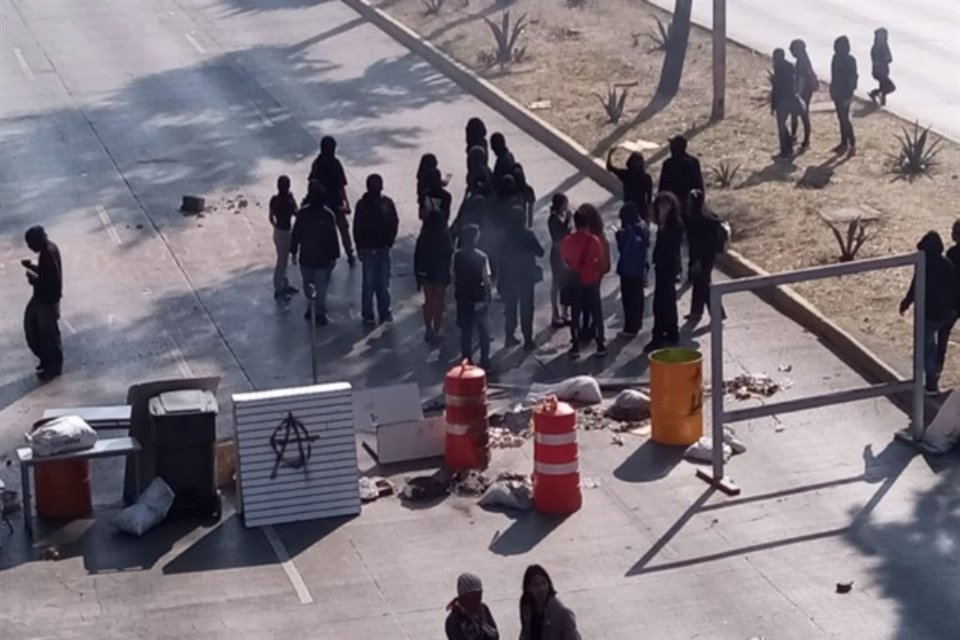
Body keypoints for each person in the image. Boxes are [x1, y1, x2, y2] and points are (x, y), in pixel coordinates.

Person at [899, 231, 958, 396]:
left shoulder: (925, 266)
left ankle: (931, 382)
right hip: (945, 313)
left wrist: (906, 303)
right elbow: (953, 289)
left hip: (929, 313)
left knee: (926, 347)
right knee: (937, 343)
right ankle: (935, 373)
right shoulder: (948, 265)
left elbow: (915, 287)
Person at [353, 174, 399, 326]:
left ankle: (373, 314)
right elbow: (394, 223)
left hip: (375, 249)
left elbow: (357, 227)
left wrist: (359, 246)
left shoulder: (366, 204)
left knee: (372, 283)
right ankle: (380, 313)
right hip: (375, 249)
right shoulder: (383, 203)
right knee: (379, 283)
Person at [291, 182, 340, 325]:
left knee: (308, 284)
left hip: (306, 257)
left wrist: (293, 251)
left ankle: (310, 307)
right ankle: (319, 312)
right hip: (323, 259)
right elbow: (333, 237)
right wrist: (334, 256)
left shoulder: (303, 214)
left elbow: (296, 235)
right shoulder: (328, 214)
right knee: (321, 286)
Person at [561, 206, 607, 358]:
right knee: (596, 312)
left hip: (576, 282)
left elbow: (565, 261)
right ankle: (600, 344)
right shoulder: (594, 240)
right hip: (591, 280)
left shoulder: (568, 241)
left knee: (575, 314)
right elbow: (599, 261)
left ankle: (575, 345)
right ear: (588, 223)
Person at [22, 225, 63, 379]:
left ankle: (53, 366)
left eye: (31, 243)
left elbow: (52, 280)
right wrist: (32, 266)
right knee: (31, 326)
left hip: (47, 300)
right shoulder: (47, 251)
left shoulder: (48, 253)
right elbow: (47, 272)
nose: (30, 247)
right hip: (40, 298)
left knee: (48, 335)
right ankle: (46, 360)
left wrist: (34, 280)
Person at [500, 211, 545, 350]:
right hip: (526, 276)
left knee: (510, 307)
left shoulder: (505, 236)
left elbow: (500, 258)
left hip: (509, 276)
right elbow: (541, 252)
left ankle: (509, 335)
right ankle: (527, 339)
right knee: (527, 308)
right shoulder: (528, 235)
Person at [308, 135, 355, 265]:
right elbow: (341, 186)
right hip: (334, 202)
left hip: (322, 203)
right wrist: (346, 203)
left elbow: (312, 184)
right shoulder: (335, 164)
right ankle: (349, 252)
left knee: (326, 231)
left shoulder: (317, 164)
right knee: (343, 228)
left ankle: (330, 255)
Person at [647, 192, 684, 351]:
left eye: (666, 206)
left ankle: (660, 334)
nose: (662, 209)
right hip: (662, 265)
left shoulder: (675, 224)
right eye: (660, 206)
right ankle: (670, 331)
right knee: (667, 300)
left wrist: (662, 223)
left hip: (668, 265)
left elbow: (671, 244)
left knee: (662, 301)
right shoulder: (665, 224)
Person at [454, 224, 494, 370]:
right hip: (478, 298)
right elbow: (486, 279)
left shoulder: (457, 255)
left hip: (463, 297)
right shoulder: (482, 257)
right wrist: (488, 296)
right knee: (484, 331)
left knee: (466, 331)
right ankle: (485, 362)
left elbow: (454, 276)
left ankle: (466, 360)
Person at [685, 189, 727, 323]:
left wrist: (696, 261)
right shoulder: (708, 214)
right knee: (701, 283)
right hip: (709, 255)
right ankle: (696, 312)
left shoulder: (698, 219)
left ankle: (717, 312)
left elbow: (697, 242)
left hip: (703, 256)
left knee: (703, 284)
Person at [414, 208, 454, 342]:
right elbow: (449, 252)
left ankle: (428, 328)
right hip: (440, 272)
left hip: (426, 272)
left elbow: (417, 255)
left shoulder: (423, 235)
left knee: (428, 300)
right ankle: (437, 329)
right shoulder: (444, 235)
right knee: (438, 302)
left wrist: (418, 276)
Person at [518, 565, 581, 640]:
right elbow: (525, 633)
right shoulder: (527, 608)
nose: (541, 588)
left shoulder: (563, 613)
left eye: (544, 583)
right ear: (528, 588)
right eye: (536, 585)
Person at [615, 202, 650, 337]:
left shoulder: (630, 231)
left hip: (628, 269)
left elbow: (626, 249)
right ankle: (638, 322)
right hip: (640, 268)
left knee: (629, 299)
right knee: (638, 297)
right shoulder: (643, 226)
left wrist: (619, 237)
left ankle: (630, 327)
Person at [580, 205, 611, 342]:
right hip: (596, 272)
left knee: (589, 301)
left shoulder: (594, 237)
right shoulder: (600, 234)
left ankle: (591, 327)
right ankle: (591, 327)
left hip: (591, 271)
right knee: (591, 300)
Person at [269, 175, 299, 301]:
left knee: (282, 258)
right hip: (286, 232)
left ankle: (284, 284)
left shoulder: (274, 200)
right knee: (282, 261)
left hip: (277, 231)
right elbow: (296, 213)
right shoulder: (289, 201)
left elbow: (271, 217)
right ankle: (278, 288)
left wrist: (275, 226)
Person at [446, 572, 499, 640]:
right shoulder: (453, 620)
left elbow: (496, 635)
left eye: (479, 595)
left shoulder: (483, 609)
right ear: (463, 596)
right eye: (472, 597)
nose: (476, 601)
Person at [658, 135, 705, 211]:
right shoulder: (693, 162)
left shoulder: (668, 164)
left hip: (673, 205)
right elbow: (699, 185)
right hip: (691, 203)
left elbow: (663, 186)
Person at [830, 35, 858, 156]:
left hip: (845, 93)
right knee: (841, 118)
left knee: (845, 119)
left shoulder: (850, 60)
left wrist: (849, 95)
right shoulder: (836, 58)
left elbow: (853, 79)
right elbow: (834, 76)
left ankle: (851, 143)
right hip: (837, 92)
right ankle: (843, 142)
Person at [771, 48, 802, 158]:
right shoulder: (789, 67)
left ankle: (785, 150)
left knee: (781, 126)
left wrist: (773, 104)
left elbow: (776, 88)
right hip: (790, 98)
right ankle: (788, 146)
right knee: (783, 125)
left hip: (782, 100)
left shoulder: (778, 69)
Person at [606, 148, 653, 221]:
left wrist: (610, 154)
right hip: (642, 208)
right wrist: (648, 212)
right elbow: (649, 197)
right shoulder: (647, 177)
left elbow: (610, 167)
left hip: (629, 207)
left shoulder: (625, 174)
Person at [548, 193, 573, 327]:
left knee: (566, 283)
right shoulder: (553, 219)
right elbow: (560, 236)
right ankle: (555, 312)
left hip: (566, 251)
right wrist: (568, 221)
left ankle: (565, 311)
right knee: (557, 282)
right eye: (565, 203)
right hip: (558, 253)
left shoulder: (561, 218)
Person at [941, 218, 960, 376]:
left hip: (954, 303)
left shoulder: (952, 254)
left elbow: (949, 281)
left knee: (943, 333)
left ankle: (936, 372)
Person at [789, 39, 815, 148]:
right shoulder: (804, 60)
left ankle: (805, 139)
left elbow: (802, 79)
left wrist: (797, 94)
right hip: (805, 91)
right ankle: (795, 136)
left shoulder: (801, 63)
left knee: (802, 115)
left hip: (803, 92)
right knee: (797, 115)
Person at [418, 159, 453, 224]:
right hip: (440, 218)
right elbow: (441, 184)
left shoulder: (421, 178)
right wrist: (448, 177)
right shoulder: (444, 196)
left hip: (425, 213)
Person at [869, 28, 895, 106]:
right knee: (890, 87)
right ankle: (875, 93)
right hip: (879, 72)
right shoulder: (876, 48)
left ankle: (879, 98)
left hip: (883, 71)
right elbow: (878, 61)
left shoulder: (884, 46)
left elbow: (890, 59)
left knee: (883, 87)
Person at [512, 164, 537, 228]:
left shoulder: (510, 189)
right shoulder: (528, 189)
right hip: (522, 219)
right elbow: (530, 210)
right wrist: (529, 226)